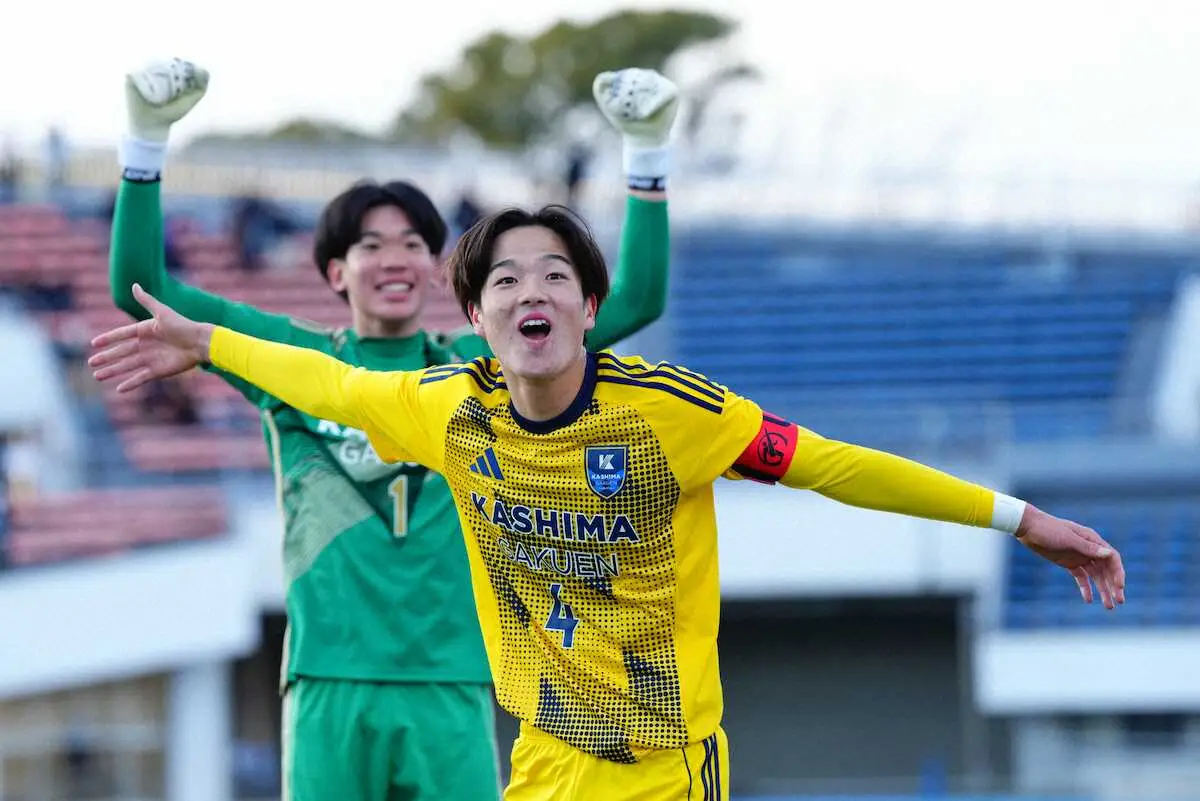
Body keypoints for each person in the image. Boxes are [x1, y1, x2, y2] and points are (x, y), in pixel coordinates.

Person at [91, 206, 1126, 801]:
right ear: (477, 314)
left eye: (553, 274)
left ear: (590, 308)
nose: (527, 289)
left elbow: (837, 465)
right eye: (502, 278)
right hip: (544, 762)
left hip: (673, 768)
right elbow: (322, 381)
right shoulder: (444, 410)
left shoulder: (674, 415)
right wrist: (205, 342)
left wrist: (1019, 519)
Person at [108, 59, 679, 801]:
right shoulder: (288, 360)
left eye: (414, 243)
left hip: (452, 679)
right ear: (335, 272)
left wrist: (648, 156)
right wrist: (146, 144)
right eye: (370, 245)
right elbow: (137, 288)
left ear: (440, 268)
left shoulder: (485, 366)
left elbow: (632, 298)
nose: (395, 259)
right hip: (327, 679)